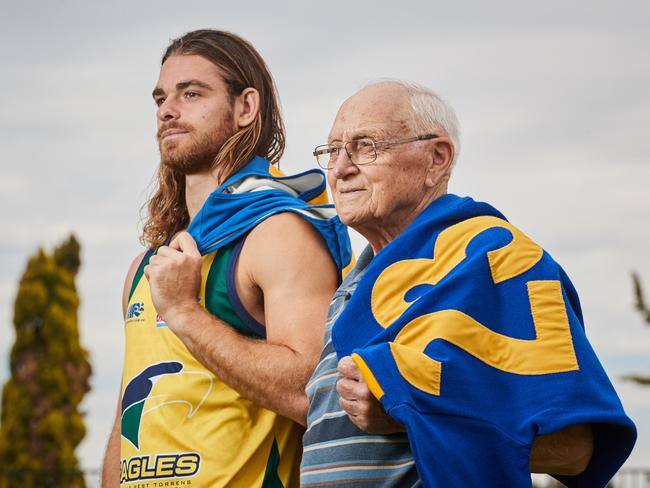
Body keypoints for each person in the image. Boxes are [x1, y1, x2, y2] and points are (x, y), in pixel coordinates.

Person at [300, 80, 636, 487]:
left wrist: (412, 413)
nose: (339, 168)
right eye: (332, 150)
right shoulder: (353, 285)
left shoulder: (496, 258)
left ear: (437, 159)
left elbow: (578, 448)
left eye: (365, 146)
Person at [101, 29, 351, 487]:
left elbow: (313, 394)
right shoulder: (144, 268)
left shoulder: (280, 234)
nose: (167, 111)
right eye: (160, 98)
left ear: (245, 108)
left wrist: (185, 313)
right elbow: (128, 413)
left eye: (191, 93)